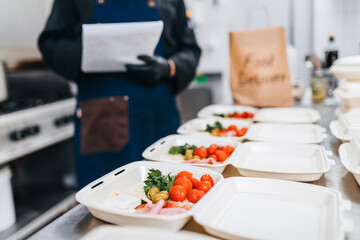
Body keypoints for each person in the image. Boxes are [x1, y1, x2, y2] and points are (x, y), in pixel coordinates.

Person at [38, 0, 201, 188]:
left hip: (157, 117)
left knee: (168, 190)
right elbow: (50, 43)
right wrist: (92, 51)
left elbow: (190, 50)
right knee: (105, 196)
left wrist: (169, 67)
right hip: (101, 119)